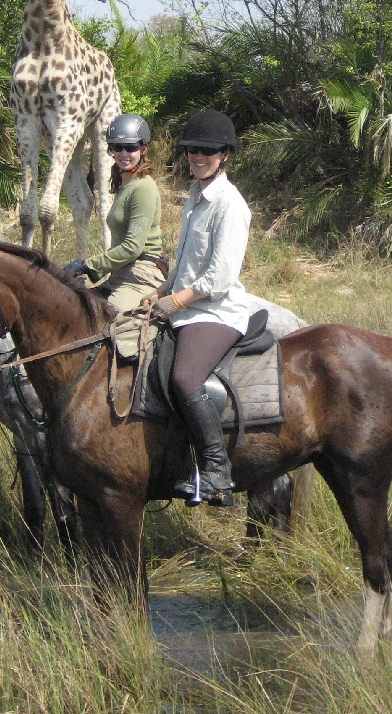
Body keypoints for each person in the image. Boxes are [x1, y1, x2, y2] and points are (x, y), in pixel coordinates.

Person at [143, 109, 251, 507]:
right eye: (192, 150)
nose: (197, 157)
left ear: (224, 154)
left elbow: (219, 278)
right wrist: (159, 292)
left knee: (185, 378)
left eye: (206, 151)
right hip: (185, 305)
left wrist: (177, 300)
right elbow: (187, 261)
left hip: (217, 312)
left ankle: (216, 471)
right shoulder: (194, 195)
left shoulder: (230, 205)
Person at [68, 114, 164, 358]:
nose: (124, 153)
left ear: (143, 149)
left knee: (110, 328)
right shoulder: (126, 183)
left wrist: (88, 266)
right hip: (119, 275)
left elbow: (133, 247)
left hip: (140, 275)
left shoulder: (143, 187)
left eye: (130, 147)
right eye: (117, 147)